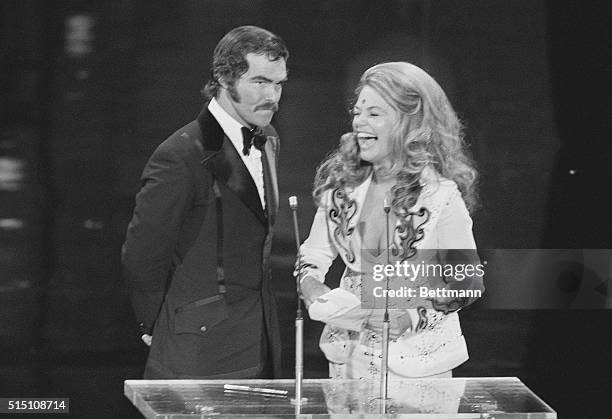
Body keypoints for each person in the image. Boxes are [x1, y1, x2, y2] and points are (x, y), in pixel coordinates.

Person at [297, 62, 484, 381]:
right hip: (348, 358)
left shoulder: (440, 197)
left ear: (409, 122)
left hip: (416, 366)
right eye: (357, 112)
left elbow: (467, 282)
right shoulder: (342, 186)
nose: (359, 123)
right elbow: (312, 255)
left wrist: (411, 317)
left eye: (374, 113)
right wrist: (312, 288)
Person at [122, 26, 288, 379]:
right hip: (198, 351)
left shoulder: (269, 140)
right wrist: (162, 326)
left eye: (279, 84)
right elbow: (142, 255)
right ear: (224, 78)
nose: (272, 95)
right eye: (260, 82)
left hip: (259, 343)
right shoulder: (180, 155)